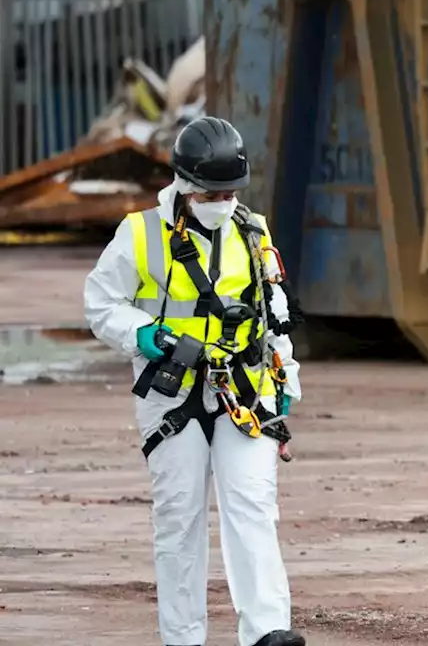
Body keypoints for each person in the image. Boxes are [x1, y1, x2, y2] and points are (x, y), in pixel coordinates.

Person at [84, 116, 307, 646]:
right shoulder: (138, 234)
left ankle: (267, 631)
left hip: (245, 390)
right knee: (179, 518)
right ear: (184, 185)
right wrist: (143, 334)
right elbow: (99, 304)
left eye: (231, 190)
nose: (223, 200)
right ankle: (183, 638)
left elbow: (272, 315)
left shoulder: (253, 232)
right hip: (172, 393)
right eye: (213, 191)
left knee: (252, 504)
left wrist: (286, 383)